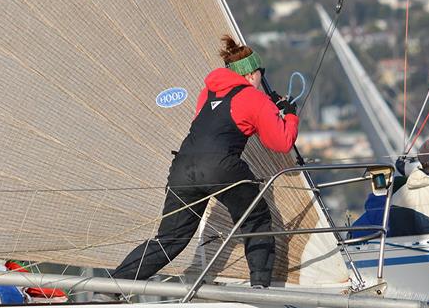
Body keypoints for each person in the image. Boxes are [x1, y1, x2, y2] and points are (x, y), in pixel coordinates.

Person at [112, 35, 299, 288]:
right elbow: (281, 142)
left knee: (170, 238)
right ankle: (261, 287)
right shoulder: (253, 97)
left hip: (182, 167)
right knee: (256, 219)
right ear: (253, 74)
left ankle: (113, 286)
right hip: (220, 166)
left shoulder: (207, 93)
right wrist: (288, 114)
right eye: (259, 73)